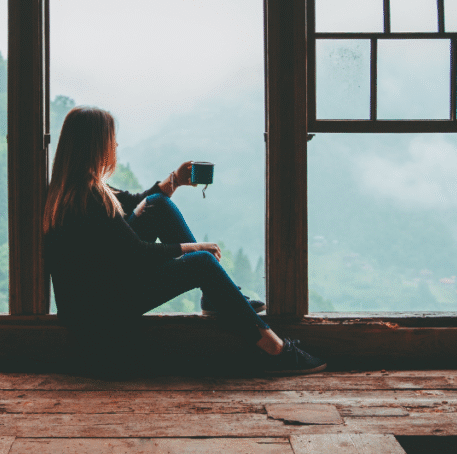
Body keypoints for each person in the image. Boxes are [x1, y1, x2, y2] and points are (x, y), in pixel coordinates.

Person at [43, 106, 326, 375]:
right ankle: (274, 349)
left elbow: (135, 204)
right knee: (202, 262)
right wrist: (196, 248)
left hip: (97, 295)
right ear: (95, 146)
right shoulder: (89, 197)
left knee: (157, 204)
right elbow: (136, 254)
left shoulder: (75, 188)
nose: (116, 146)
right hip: (97, 315)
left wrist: (175, 181)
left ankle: (215, 298)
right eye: (111, 140)